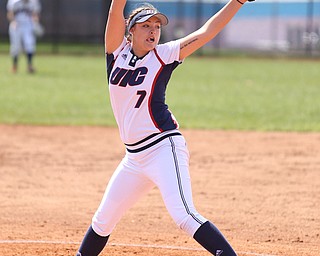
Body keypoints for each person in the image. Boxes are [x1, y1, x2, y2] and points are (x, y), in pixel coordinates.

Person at [77, 0, 254, 255]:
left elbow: (206, 32)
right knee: (102, 220)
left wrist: (237, 2)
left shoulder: (164, 54)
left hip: (163, 148)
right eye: (146, 25)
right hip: (134, 159)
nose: (153, 31)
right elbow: (116, 10)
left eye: (157, 26)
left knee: (184, 215)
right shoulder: (116, 52)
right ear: (131, 30)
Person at [6, 0, 41, 73]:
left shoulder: (34, 2)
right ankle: (14, 66)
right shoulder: (14, 2)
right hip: (17, 25)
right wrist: (13, 21)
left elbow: (35, 14)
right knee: (16, 47)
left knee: (29, 44)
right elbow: (10, 14)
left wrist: (36, 23)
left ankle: (30, 66)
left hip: (28, 25)